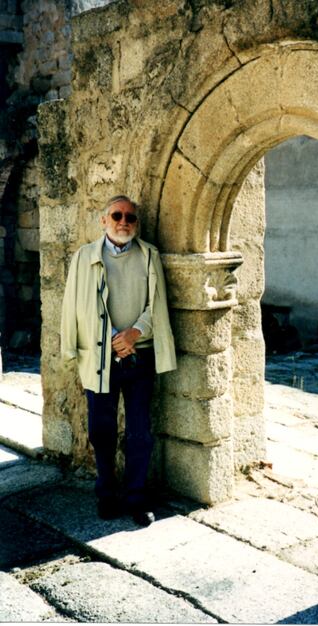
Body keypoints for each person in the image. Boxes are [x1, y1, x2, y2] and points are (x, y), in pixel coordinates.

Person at [60, 195, 176, 526]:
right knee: (101, 428)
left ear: (136, 223)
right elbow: (73, 305)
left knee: (140, 431)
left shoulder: (149, 255)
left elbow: (159, 305)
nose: (123, 222)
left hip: (140, 355)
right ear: (104, 220)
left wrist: (134, 334)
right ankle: (107, 493)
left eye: (130, 218)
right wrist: (110, 340)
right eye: (117, 215)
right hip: (99, 356)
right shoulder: (84, 257)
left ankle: (137, 497)